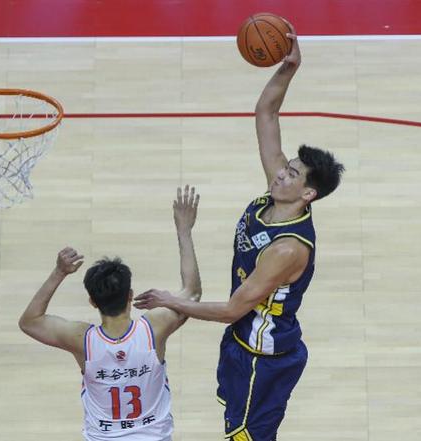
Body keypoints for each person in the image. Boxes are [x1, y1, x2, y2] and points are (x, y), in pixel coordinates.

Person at [134, 28, 345, 441]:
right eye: (285, 167)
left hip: (263, 357)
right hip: (242, 341)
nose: (280, 173)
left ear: (308, 194)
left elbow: (232, 309)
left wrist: (169, 300)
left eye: (292, 173)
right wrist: (289, 67)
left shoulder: (287, 248)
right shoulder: (276, 193)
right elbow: (266, 114)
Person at [19, 186, 202, 441]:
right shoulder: (153, 328)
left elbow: (30, 322)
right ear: (130, 295)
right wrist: (184, 230)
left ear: (92, 302)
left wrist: (59, 272)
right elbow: (192, 294)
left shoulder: (82, 339)